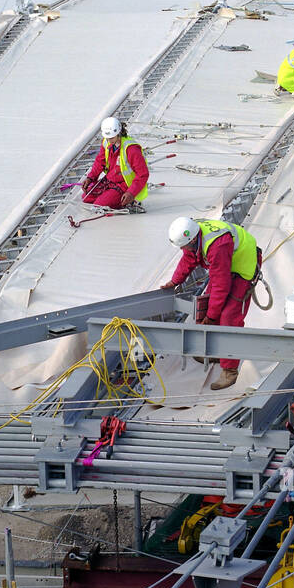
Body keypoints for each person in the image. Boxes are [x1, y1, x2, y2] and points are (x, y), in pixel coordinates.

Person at [161, 216, 261, 390]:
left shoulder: (217, 245)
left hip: (243, 267)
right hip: (226, 264)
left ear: (192, 240)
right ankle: (218, 351)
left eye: (183, 246)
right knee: (207, 306)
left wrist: (212, 316)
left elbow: (221, 286)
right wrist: (175, 281)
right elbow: (188, 259)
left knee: (229, 316)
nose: (182, 249)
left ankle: (229, 370)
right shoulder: (193, 234)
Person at [83, 117, 149, 211]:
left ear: (118, 133)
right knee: (86, 197)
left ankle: (130, 202)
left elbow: (143, 174)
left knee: (100, 205)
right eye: (107, 138)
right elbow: (100, 161)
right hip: (111, 180)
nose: (110, 141)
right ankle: (111, 195)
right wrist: (90, 178)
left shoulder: (131, 149)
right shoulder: (106, 142)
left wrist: (131, 193)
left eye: (112, 137)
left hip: (125, 185)